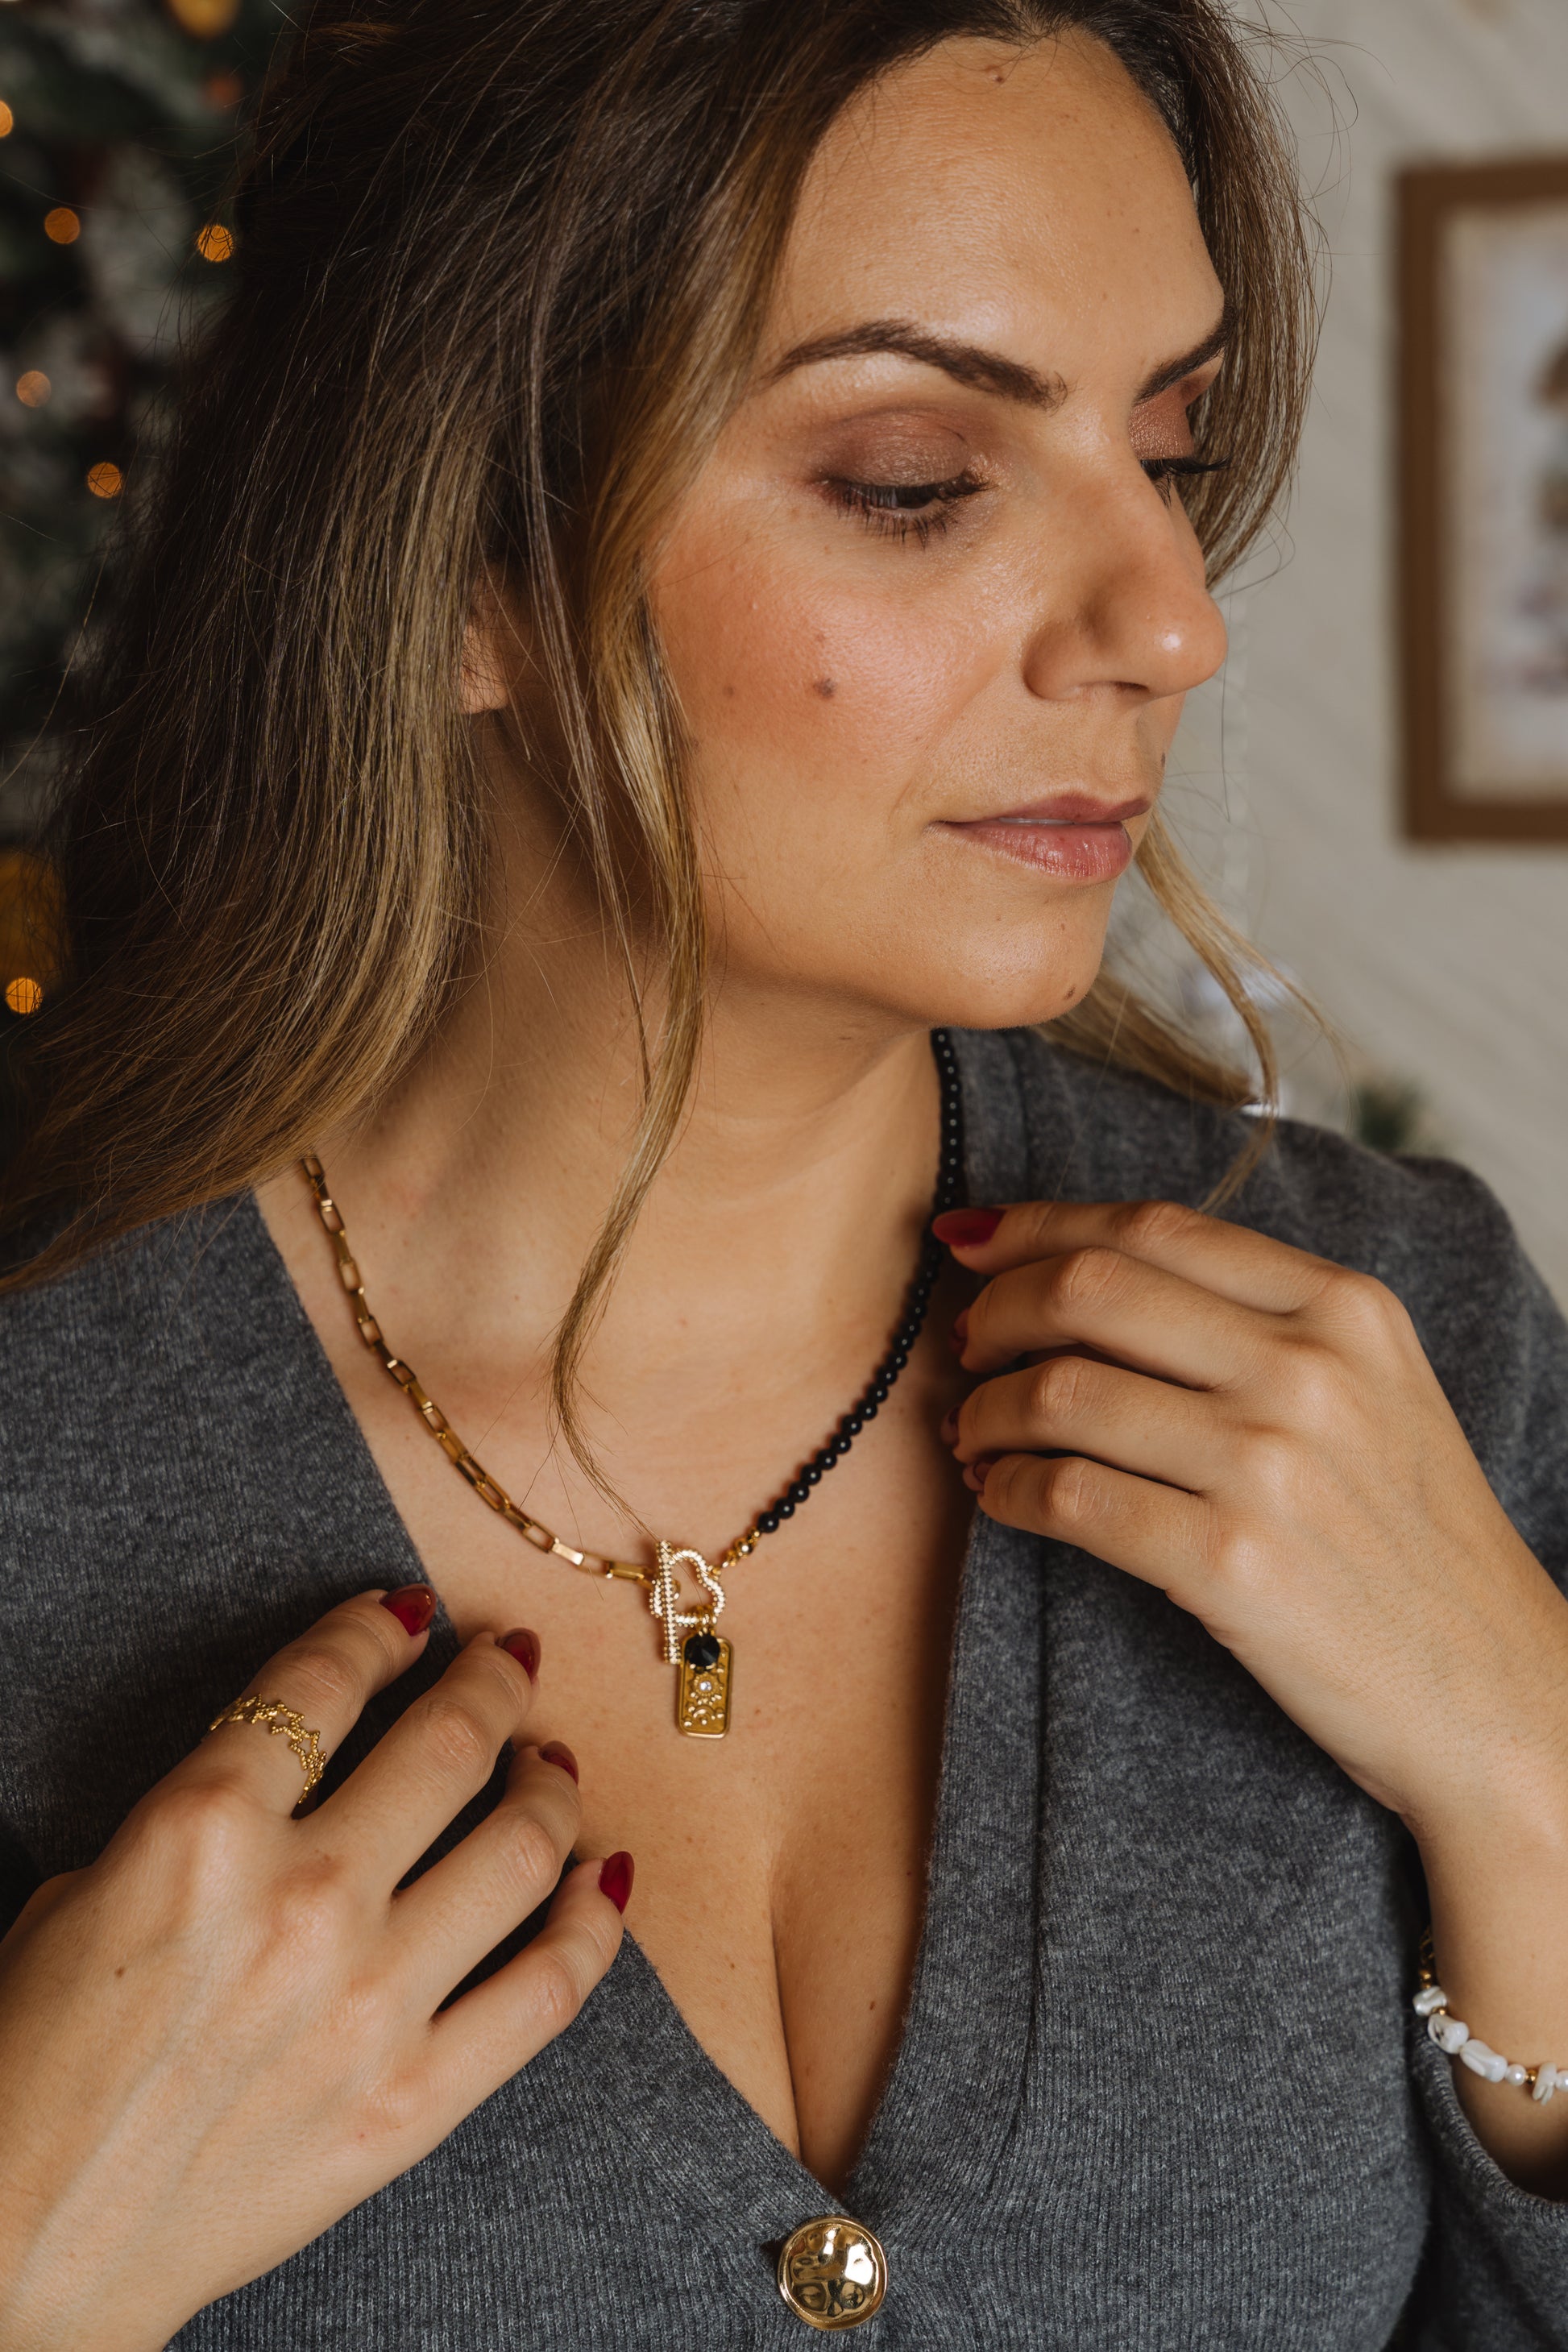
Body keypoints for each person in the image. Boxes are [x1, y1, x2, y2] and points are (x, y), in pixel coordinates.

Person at [2, 2, 1567, 2344]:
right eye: (918, 479)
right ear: (464, 570)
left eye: (1171, 445)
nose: (1169, 620)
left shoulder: (1397, 1345)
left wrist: (1536, 1780)